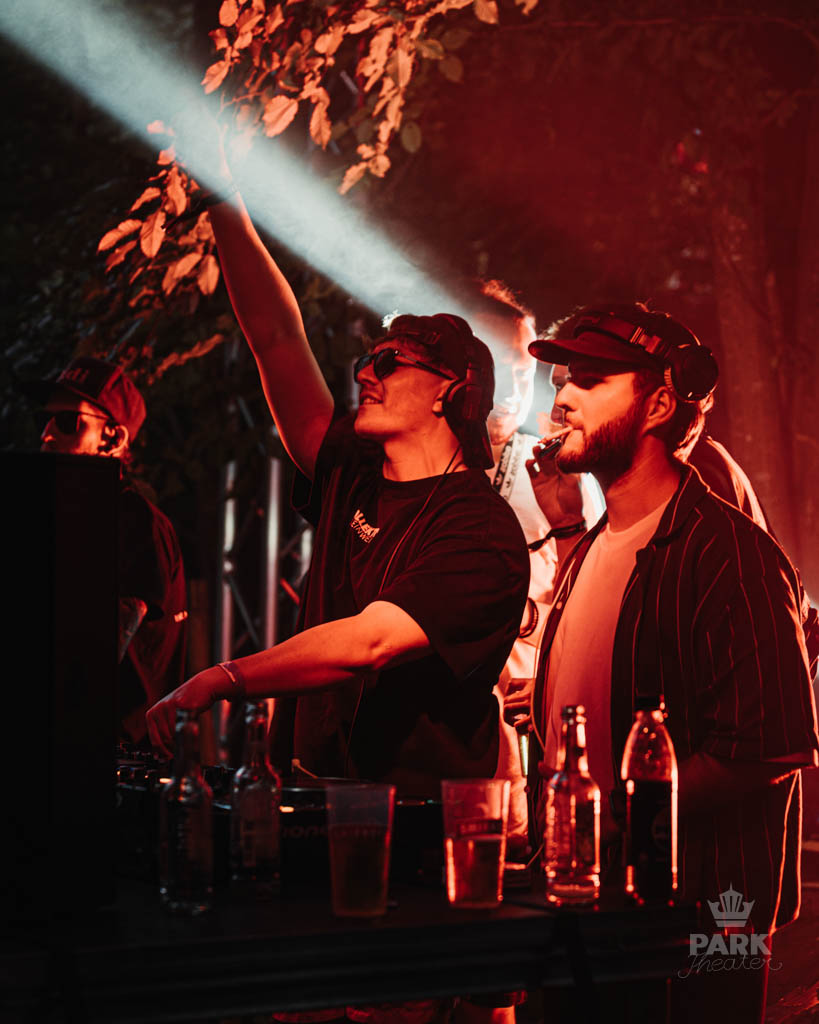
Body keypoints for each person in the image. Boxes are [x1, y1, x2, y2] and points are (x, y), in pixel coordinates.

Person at [146, 190, 530, 806]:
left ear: (449, 392)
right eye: (367, 360)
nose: (364, 373)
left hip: (417, 825)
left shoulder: (482, 531)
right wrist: (222, 198)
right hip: (310, 801)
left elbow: (369, 643)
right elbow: (275, 337)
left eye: (390, 363)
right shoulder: (353, 470)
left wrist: (222, 678)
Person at [525, 303, 818, 1022]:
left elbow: (768, 747)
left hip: (694, 925)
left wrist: (614, 814)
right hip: (586, 907)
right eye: (562, 380)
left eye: (589, 379)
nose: (561, 399)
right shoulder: (594, 543)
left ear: (658, 404)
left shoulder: (730, 554)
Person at [469, 281, 603, 849]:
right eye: (498, 364)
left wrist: (544, 660)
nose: (514, 385)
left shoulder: (557, 469)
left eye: (526, 371)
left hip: (527, 739)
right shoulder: (408, 467)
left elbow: (592, 603)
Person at [23, 357, 188, 745]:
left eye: (68, 421)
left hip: (114, 755)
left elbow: (94, 649)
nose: (47, 434)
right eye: (44, 420)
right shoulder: (68, 517)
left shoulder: (133, 519)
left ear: (113, 438)